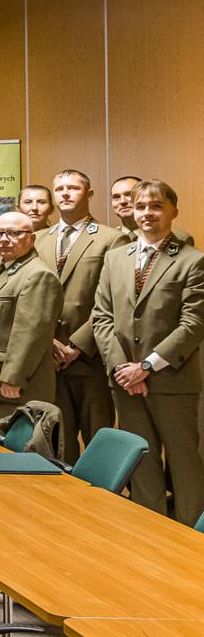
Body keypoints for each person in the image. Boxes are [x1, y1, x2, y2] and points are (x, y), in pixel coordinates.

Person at [93, 179, 204, 524]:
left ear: (173, 211)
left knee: (184, 465)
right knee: (141, 463)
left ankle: (190, 542)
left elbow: (193, 324)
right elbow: (101, 317)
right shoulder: (114, 258)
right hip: (124, 381)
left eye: (156, 206)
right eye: (141, 206)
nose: (147, 213)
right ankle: (150, 533)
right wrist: (122, 369)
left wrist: (146, 367)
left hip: (172, 380)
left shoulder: (192, 260)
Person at [41, 169, 126, 461]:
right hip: (48, 357)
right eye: (59, 188)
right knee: (58, 442)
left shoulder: (111, 239)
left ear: (89, 194)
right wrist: (48, 341)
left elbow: (114, 300)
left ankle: (106, 503)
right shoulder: (39, 238)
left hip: (89, 357)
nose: (65, 193)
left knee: (98, 441)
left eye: (73, 188)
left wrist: (76, 345)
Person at [0, 212, 64, 425]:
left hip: (15, 385)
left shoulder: (37, 274)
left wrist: (14, 377)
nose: (4, 239)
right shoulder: (3, 268)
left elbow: (31, 333)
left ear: (31, 238)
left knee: (13, 452)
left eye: (13, 233)